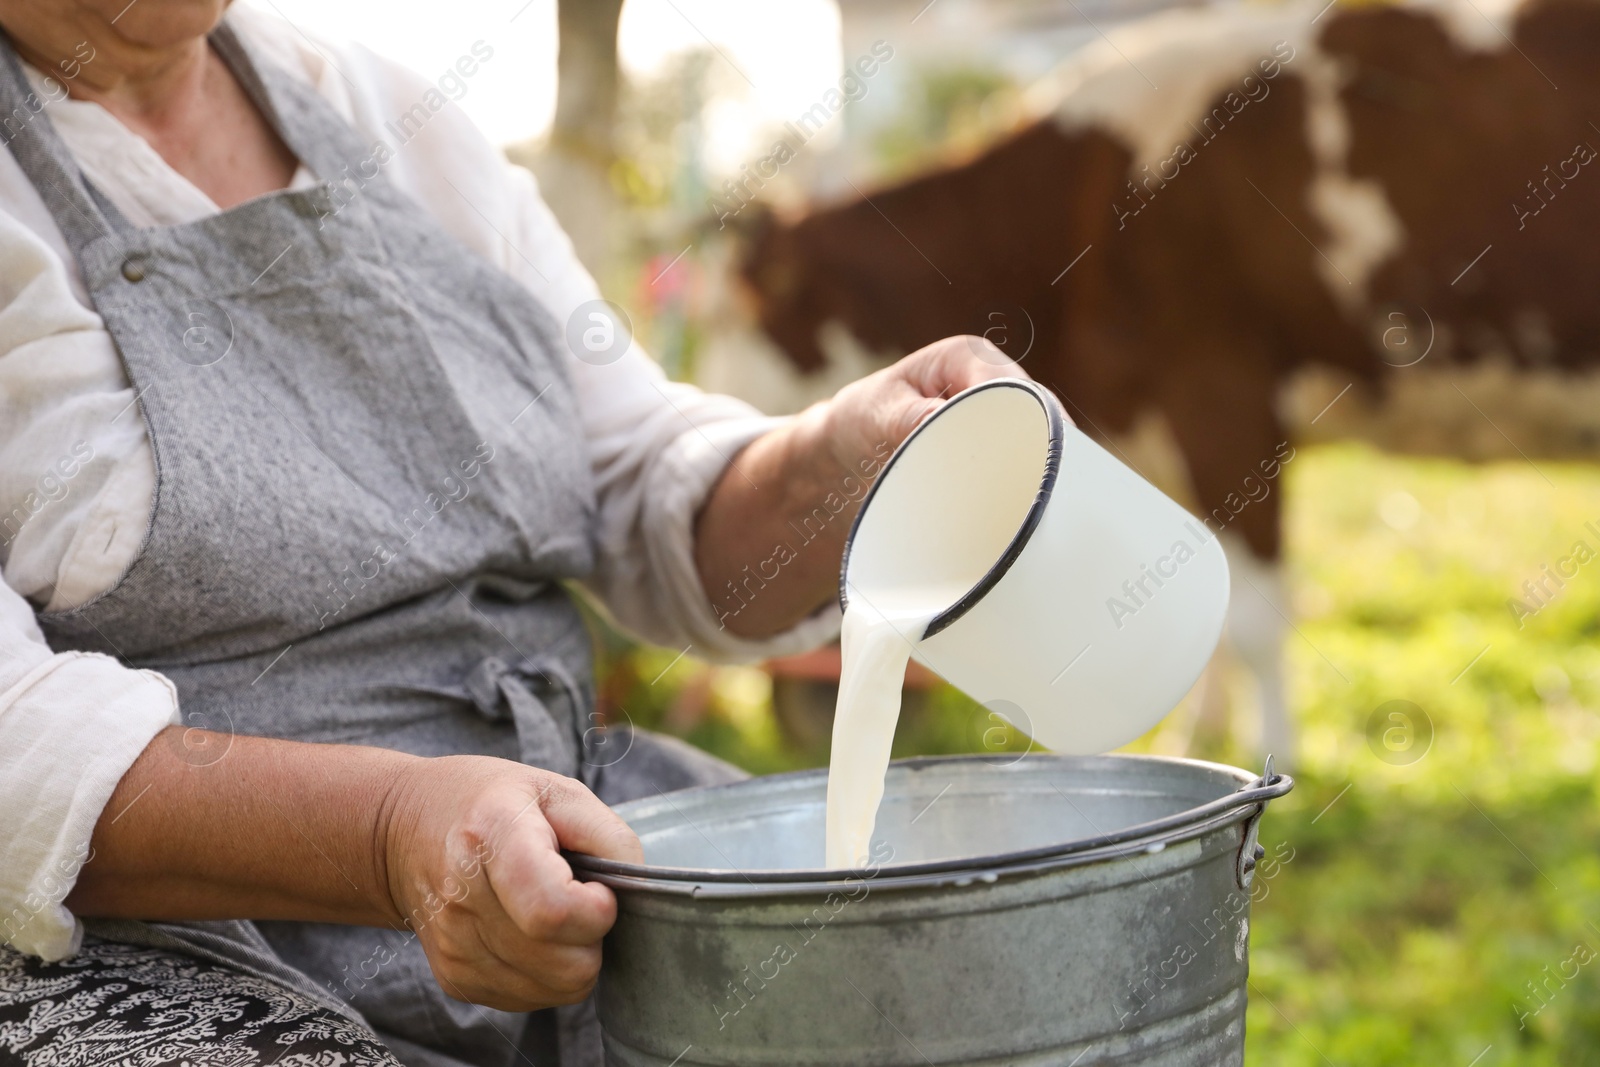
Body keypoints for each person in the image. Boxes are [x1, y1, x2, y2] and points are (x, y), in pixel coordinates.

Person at [0, 1, 1027, 1064]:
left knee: (966, 980)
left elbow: (628, 479)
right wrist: (392, 829)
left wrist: (833, 466)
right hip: (169, 939)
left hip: (567, 840)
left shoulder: (386, 112)